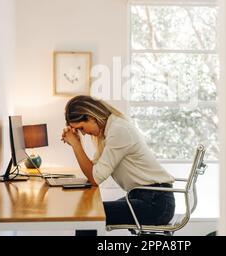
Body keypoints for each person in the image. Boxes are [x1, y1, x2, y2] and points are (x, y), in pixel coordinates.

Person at [61, 95, 175, 226]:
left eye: (81, 128)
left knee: (89, 216)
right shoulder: (108, 132)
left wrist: (76, 145)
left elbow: (95, 178)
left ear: (91, 117)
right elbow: (93, 170)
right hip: (145, 197)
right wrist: (77, 143)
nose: (84, 133)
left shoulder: (118, 130)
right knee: (89, 212)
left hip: (156, 203)